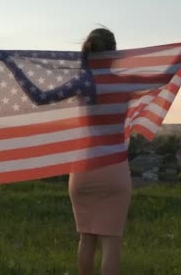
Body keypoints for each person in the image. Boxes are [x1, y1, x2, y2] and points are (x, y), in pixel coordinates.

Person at [69, 28, 132, 275]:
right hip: (114, 170)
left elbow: (40, 96)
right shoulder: (126, 85)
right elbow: (165, 77)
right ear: (114, 52)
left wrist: (11, 64)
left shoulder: (81, 84)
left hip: (83, 171)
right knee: (111, 244)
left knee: (86, 239)